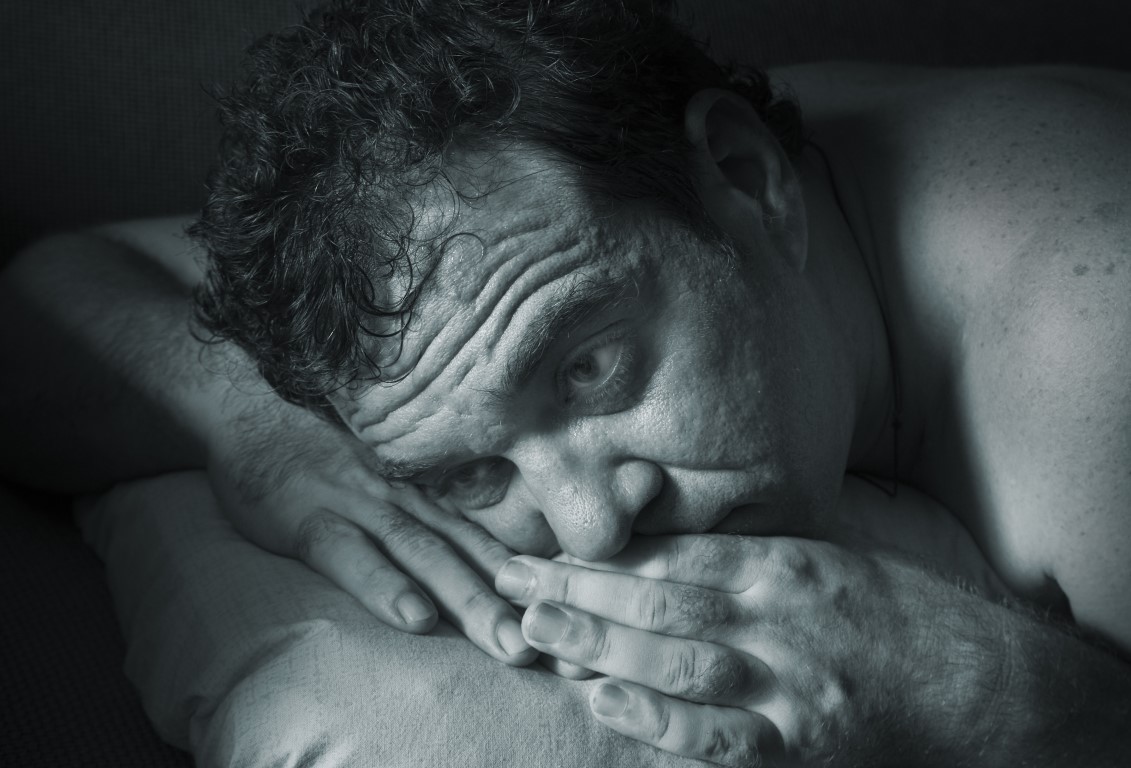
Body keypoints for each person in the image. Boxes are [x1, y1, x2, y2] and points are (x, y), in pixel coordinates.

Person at [2, 0, 1129, 764]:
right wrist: (252, 421)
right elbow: (44, 303)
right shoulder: (463, 215)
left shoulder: (1096, 343)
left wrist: (1008, 702)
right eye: (474, 472)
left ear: (749, 181)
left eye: (590, 368)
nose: (590, 528)